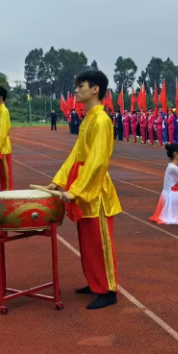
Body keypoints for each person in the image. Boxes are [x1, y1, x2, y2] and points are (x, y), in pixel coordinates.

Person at [49, 70, 122, 310]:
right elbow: (76, 155)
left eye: (81, 86)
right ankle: (95, 283)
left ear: (95, 89)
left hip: (96, 192)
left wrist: (76, 190)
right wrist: (59, 181)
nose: (76, 91)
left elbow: (98, 161)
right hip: (83, 189)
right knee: (87, 242)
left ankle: (108, 290)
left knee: (100, 242)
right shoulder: (88, 118)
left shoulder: (101, 120)